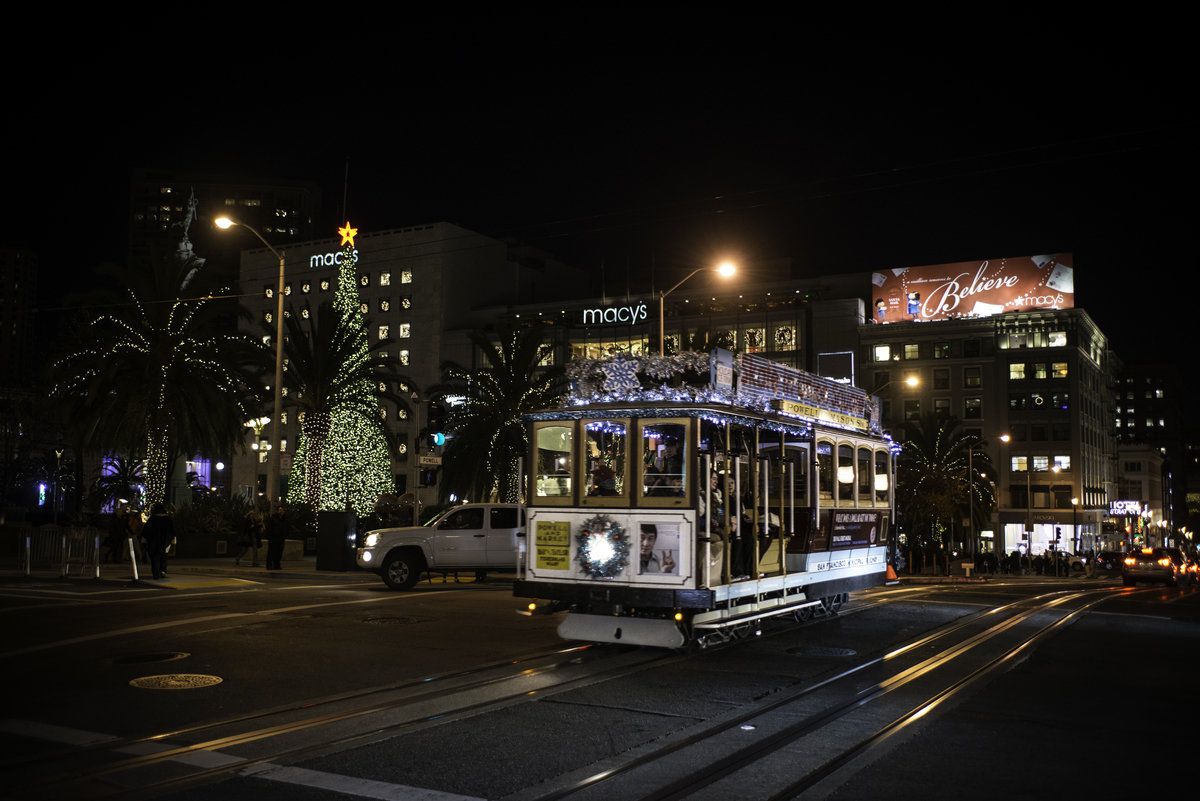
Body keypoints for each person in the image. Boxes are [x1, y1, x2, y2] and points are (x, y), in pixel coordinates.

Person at [141, 503, 176, 580]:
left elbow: (146, 532)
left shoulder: (152, 519)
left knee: (155, 557)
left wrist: (143, 542)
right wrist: (173, 541)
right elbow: (172, 531)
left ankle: (156, 573)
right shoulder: (167, 519)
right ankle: (163, 571)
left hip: (153, 542)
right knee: (164, 556)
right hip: (165, 542)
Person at [265, 504, 290, 570]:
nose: (282, 511)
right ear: (277, 511)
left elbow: (287, 527)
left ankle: (277, 564)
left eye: (283, 510)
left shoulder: (285, 519)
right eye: (280, 510)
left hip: (281, 538)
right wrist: (271, 535)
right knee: (271, 552)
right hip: (273, 538)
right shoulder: (272, 518)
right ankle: (269, 565)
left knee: (279, 552)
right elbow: (268, 528)